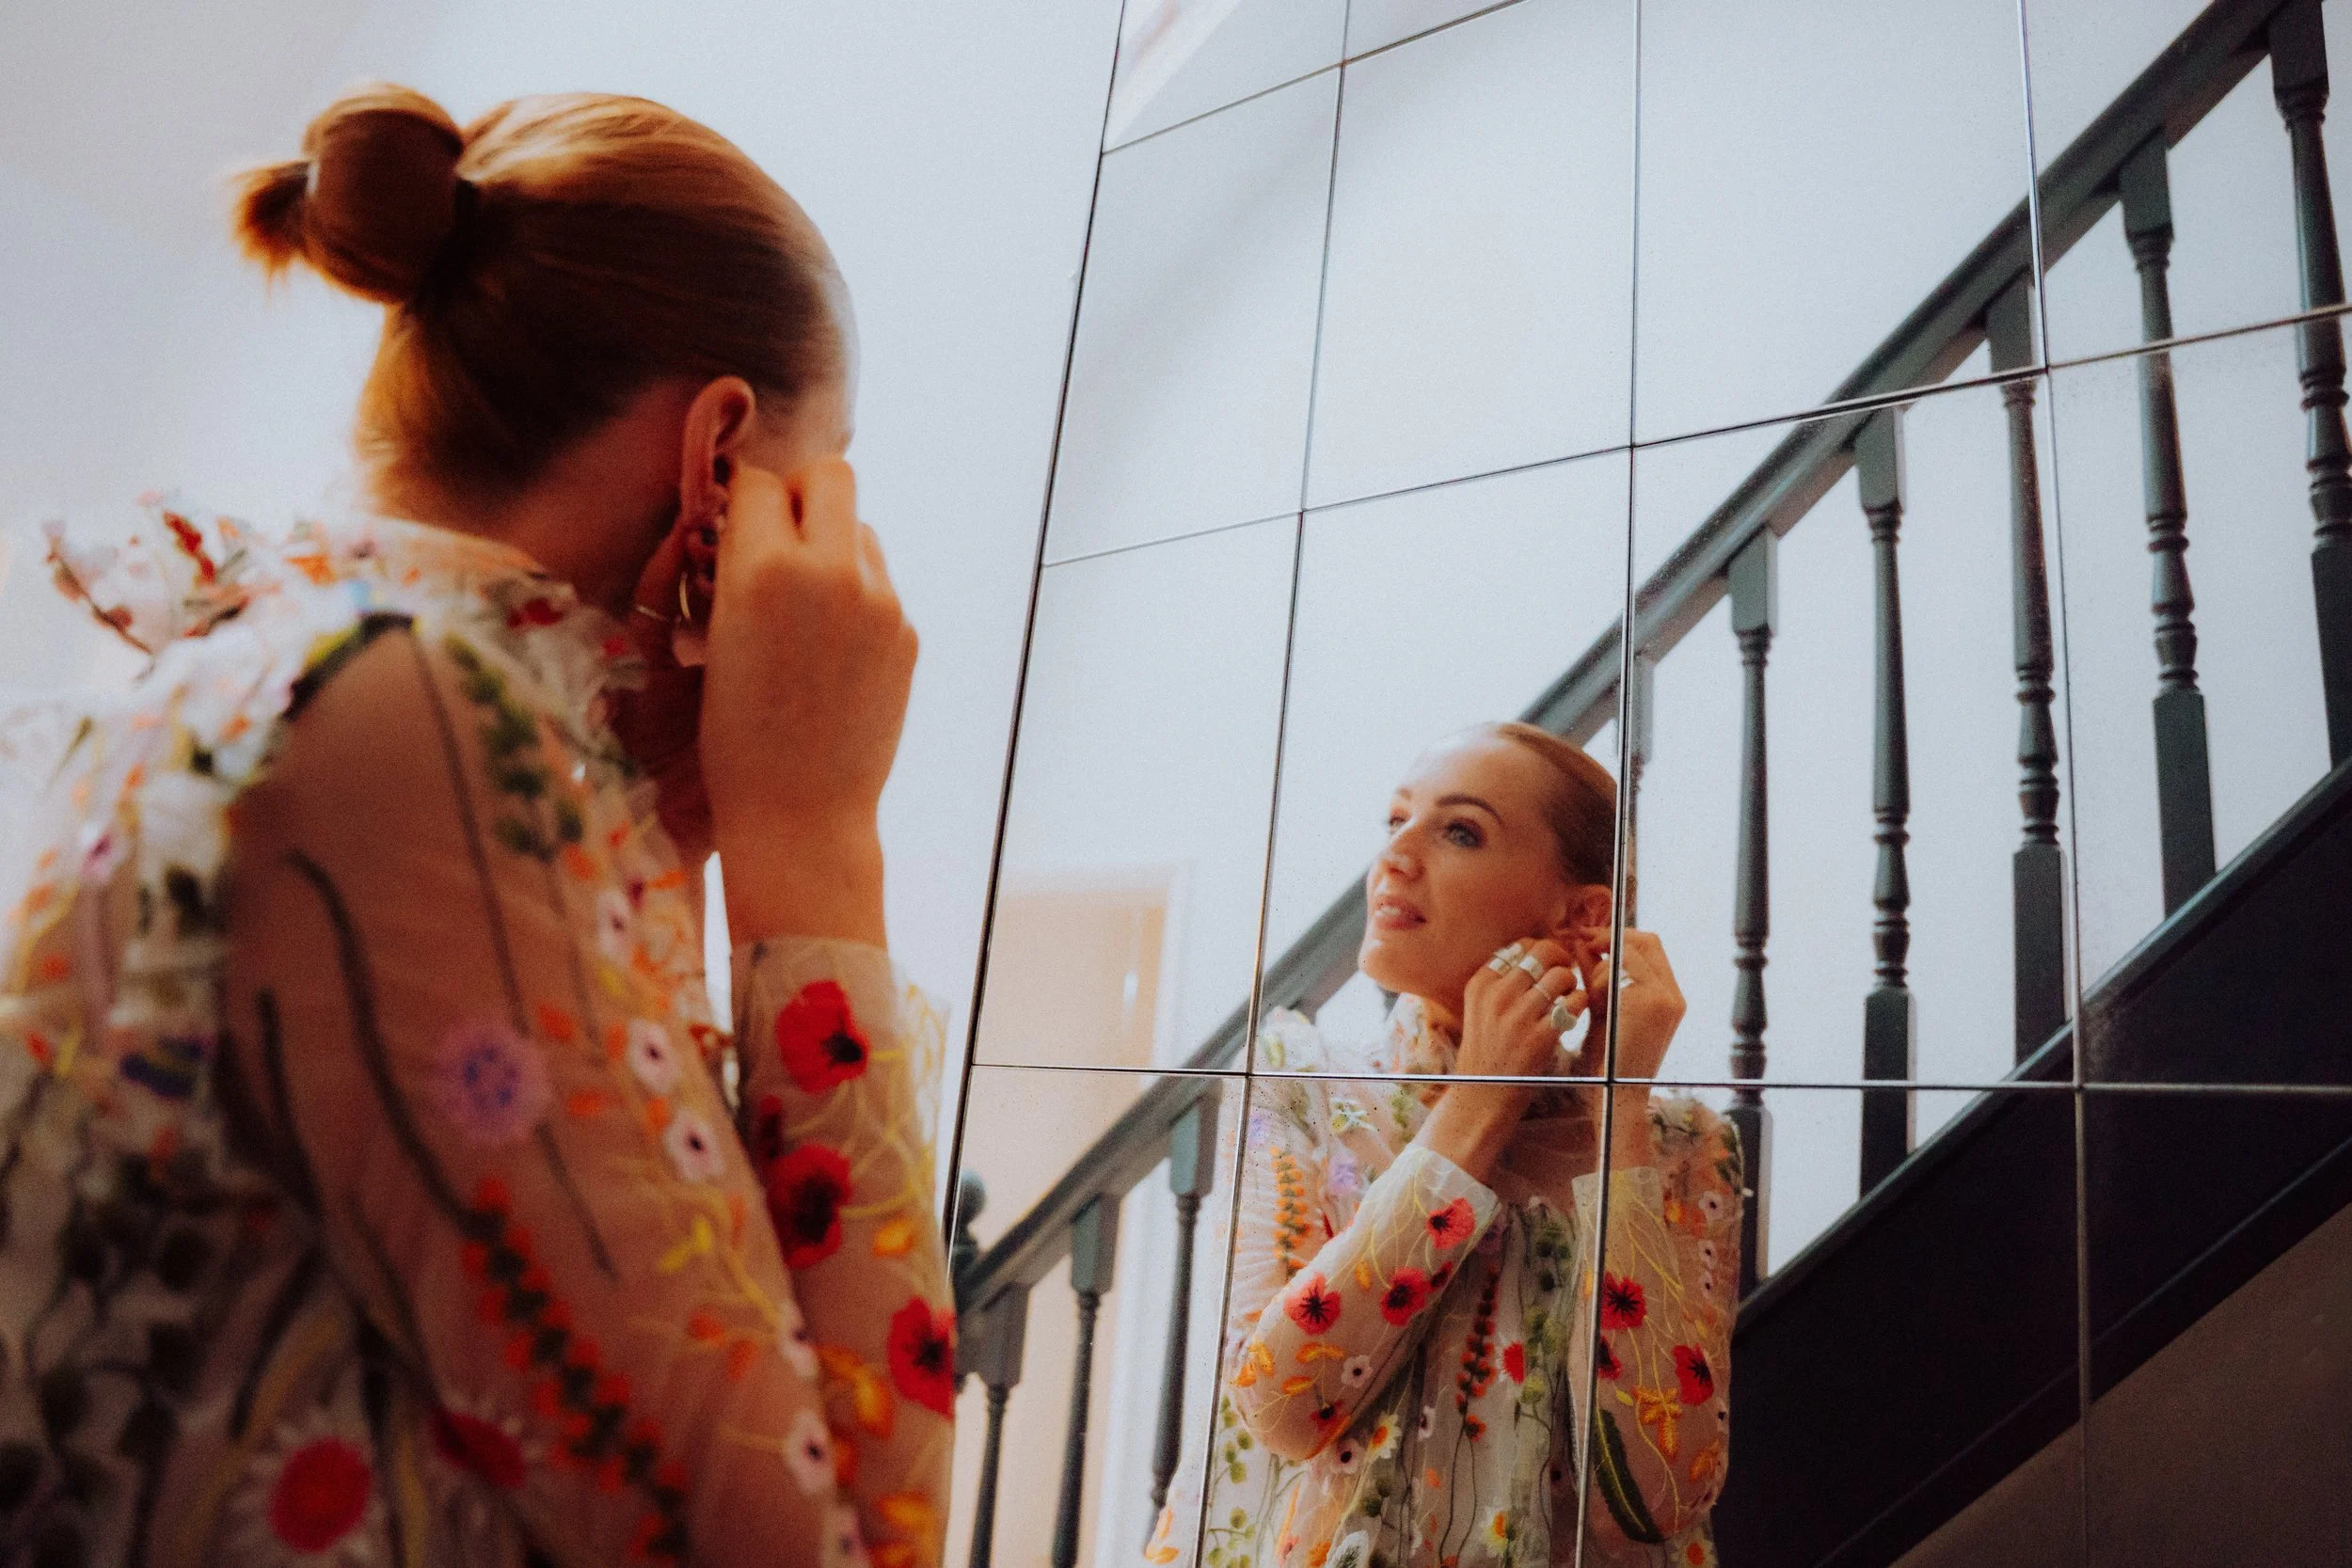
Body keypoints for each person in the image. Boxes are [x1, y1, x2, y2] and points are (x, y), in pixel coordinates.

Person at [0, 84, 949, 1568]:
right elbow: (838, 1544)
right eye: (817, 487)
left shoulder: (322, 674)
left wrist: (690, 838)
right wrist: (820, 844)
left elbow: (664, 1339)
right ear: (718, 467)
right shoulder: (393, 711)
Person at [1146, 723, 1741, 1568]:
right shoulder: (1301, 1079)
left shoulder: (1685, 1150)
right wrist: (1476, 1105)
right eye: (1395, 819)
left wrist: (1621, 1111)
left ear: (1582, 914)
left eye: (1458, 829)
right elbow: (1281, 1408)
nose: (1395, 853)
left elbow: (1657, 1503)